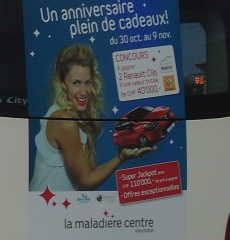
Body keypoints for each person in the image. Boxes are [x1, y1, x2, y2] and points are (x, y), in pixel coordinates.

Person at [29, 44, 149, 191]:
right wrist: (121, 159)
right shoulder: (64, 121)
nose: (84, 91)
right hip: (47, 210)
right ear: (62, 84)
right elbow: (85, 182)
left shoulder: (71, 117)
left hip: (58, 209)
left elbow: (88, 174)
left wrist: (122, 157)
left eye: (88, 83)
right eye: (76, 83)